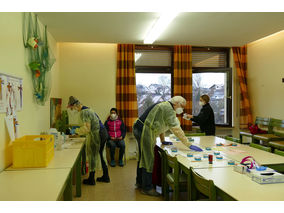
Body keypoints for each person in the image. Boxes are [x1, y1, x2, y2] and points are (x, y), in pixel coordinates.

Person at [133, 96, 200, 196]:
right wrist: (188, 144)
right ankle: (147, 188)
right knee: (148, 158)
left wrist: (163, 140)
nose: (182, 109)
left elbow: (160, 124)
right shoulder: (168, 109)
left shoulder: (165, 106)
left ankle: (140, 182)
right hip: (144, 130)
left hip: (139, 127)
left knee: (143, 157)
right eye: (182, 106)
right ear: (176, 103)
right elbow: (176, 129)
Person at [68, 96, 110, 185]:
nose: (72, 110)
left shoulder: (84, 112)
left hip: (97, 134)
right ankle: (106, 177)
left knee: (93, 155)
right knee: (101, 155)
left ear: (75, 105)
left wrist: (75, 131)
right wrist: (79, 129)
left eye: (72, 108)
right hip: (103, 132)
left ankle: (91, 179)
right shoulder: (88, 109)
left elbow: (87, 128)